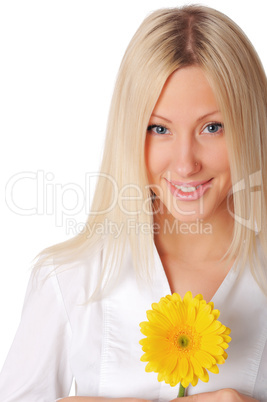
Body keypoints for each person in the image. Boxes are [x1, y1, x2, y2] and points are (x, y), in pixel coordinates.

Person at [0, 4, 267, 402]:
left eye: (212, 127)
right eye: (158, 128)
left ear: (250, 125)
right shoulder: (68, 279)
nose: (184, 163)